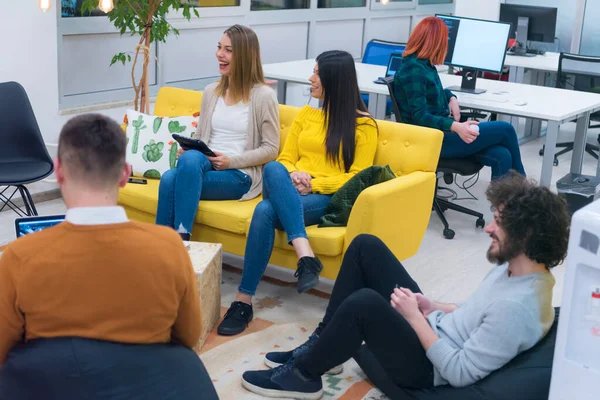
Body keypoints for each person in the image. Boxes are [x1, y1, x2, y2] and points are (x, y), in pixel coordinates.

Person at [241, 172, 570, 399]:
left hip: (428, 369)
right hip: (435, 330)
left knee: (364, 303)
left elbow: (458, 371)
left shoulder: (518, 308)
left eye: (498, 222)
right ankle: (322, 344)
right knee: (365, 246)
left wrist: (414, 318)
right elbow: (475, 314)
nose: (488, 229)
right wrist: (433, 306)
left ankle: (304, 377)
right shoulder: (518, 270)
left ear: (526, 235)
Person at [0, 114, 217, 399]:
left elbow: (4, 348)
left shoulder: (19, 256)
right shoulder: (169, 247)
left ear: (59, 172)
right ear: (125, 174)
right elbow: (188, 335)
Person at [217, 50, 379, 336]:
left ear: (334, 79)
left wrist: (314, 183)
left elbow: (357, 178)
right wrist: (293, 174)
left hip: (321, 198)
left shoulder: (364, 126)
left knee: (265, 211)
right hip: (287, 186)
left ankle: (243, 301)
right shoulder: (306, 115)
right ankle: (305, 254)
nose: (310, 78)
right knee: (273, 169)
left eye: (316, 73)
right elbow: (284, 158)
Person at [156, 24, 280, 239]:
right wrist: (188, 148)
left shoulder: (263, 96)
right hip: (204, 165)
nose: (219, 54)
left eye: (228, 50)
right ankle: (178, 247)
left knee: (169, 179)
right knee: (192, 157)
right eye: (219, 47)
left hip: (238, 174)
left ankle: (173, 247)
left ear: (245, 56)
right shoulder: (211, 92)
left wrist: (230, 161)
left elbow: (271, 149)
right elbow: (201, 135)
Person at [395, 16, 525, 180]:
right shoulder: (414, 69)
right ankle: (525, 192)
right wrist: (455, 126)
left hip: (441, 134)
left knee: (502, 155)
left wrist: (451, 98)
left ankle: (505, 204)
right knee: (506, 129)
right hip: (432, 141)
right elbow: (419, 116)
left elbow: (434, 92)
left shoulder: (423, 65)